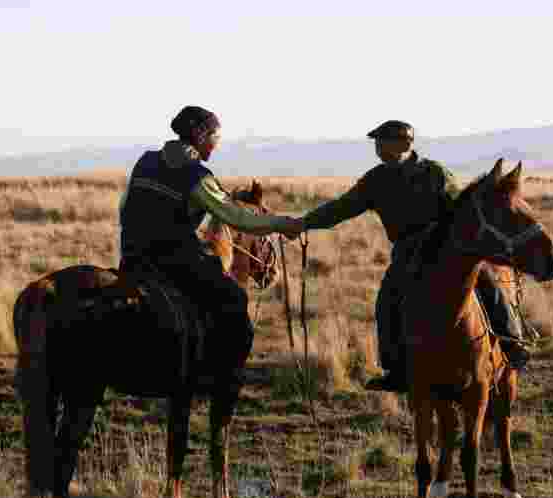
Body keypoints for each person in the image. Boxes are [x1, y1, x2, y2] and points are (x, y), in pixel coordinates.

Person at [296, 120, 530, 393]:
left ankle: (512, 343)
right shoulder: (376, 180)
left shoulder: (435, 173)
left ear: (405, 143)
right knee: (388, 298)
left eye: (383, 142)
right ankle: (396, 369)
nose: (378, 148)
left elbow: (461, 209)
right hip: (408, 253)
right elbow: (340, 208)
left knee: (485, 277)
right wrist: (302, 223)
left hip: (446, 247)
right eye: (377, 143)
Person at [118, 105, 305, 381]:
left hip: (132, 258)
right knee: (234, 298)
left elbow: (124, 208)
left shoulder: (145, 161)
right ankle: (223, 374)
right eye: (215, 137)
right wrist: (281, 224)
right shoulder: (196, 175)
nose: (216, 144)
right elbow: (238, 218)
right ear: (200, 135)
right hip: (174, 262)